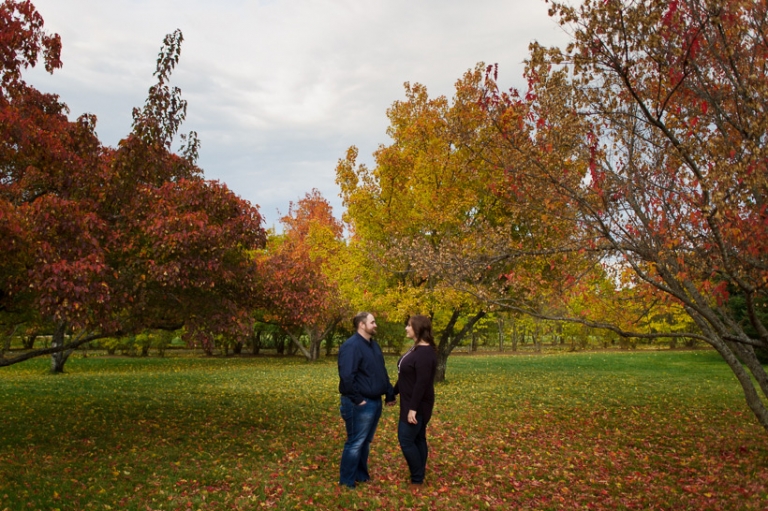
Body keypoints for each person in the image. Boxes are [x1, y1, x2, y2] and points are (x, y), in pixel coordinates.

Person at [337, 312, 396, 489]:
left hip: (375, 401)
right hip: (360, 403)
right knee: (355, 443)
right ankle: (346, 482)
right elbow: (347, 376)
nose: (375, 325)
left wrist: (389, 392)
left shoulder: (373, 345)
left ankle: (361, 475)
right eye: (372, 322)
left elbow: (380, 370)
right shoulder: (351, 346)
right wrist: (357, 399)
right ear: (362, 325)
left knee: (364, 442)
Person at [393, 314, 438, 489]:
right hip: (411, 402)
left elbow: (421, 383)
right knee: (418, 438)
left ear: (418, 329)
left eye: (409, 326)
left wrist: (413, 409)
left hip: (417, 404)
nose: (406, 328)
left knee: (406, 439)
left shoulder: (425, 353)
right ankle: (419, 475)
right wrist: (393, 392)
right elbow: (406, 376)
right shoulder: (416, 349)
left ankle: (417, 477)